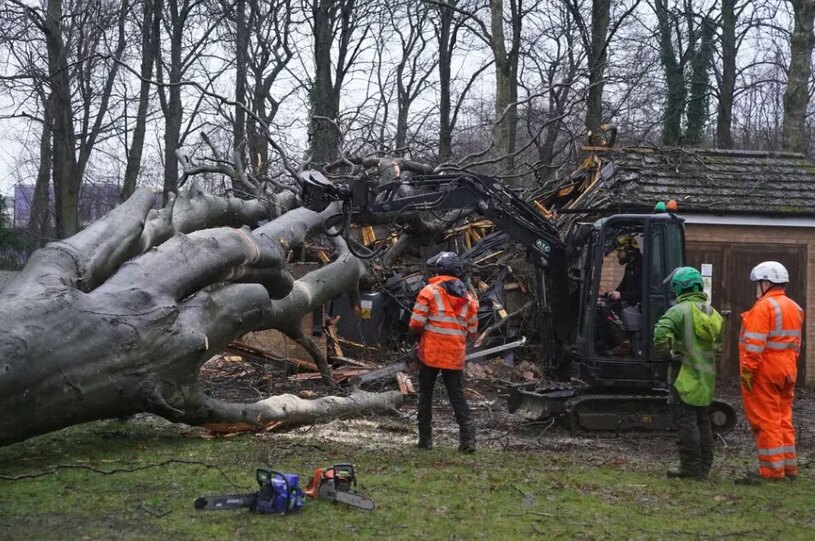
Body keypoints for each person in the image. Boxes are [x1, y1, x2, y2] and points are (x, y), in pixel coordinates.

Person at [653, 267, 724, 480]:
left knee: (686, 422)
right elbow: (717, 348)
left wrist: (669, 354)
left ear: (678, 287)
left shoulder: (679, 311)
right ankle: (704, 468)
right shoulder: (713, 313)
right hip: (705, 379)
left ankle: (690, 468)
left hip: (683, 376)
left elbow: (660, 334)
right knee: (703, 422)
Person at [738, 261, 804, 483]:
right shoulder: (795, 308)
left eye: (758, 283)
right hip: (787, 369)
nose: (757, 288)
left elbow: (754, 346)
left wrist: (747, 372)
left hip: (765, 370)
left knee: (766, 420)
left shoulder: (763, 308)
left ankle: (772, 472)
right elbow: (796, 344)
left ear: (766, 282)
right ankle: (788, 467)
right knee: (783, 418)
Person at [409, 251, 479, 453]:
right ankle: (468, 440)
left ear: (439, 269)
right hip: (454, 355)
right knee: (457, 396)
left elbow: (416, 323)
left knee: (425, 395)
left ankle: (425, 440)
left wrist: (411, 340)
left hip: (431, 353)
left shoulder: (429, 292)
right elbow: (473, 331)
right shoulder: (468, 298)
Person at [599, 234, 643, 355]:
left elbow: (642, 293)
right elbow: (622, 287)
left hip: (637, 305)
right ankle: (605, 343)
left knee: (607, 309)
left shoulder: (642, 266)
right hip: (628, 302)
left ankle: (624, 343)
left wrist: (621, 295)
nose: (618, 255)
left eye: (620, 251)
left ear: (628, 250)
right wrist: (607, 295)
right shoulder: (631, 266)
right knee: (601, 305)